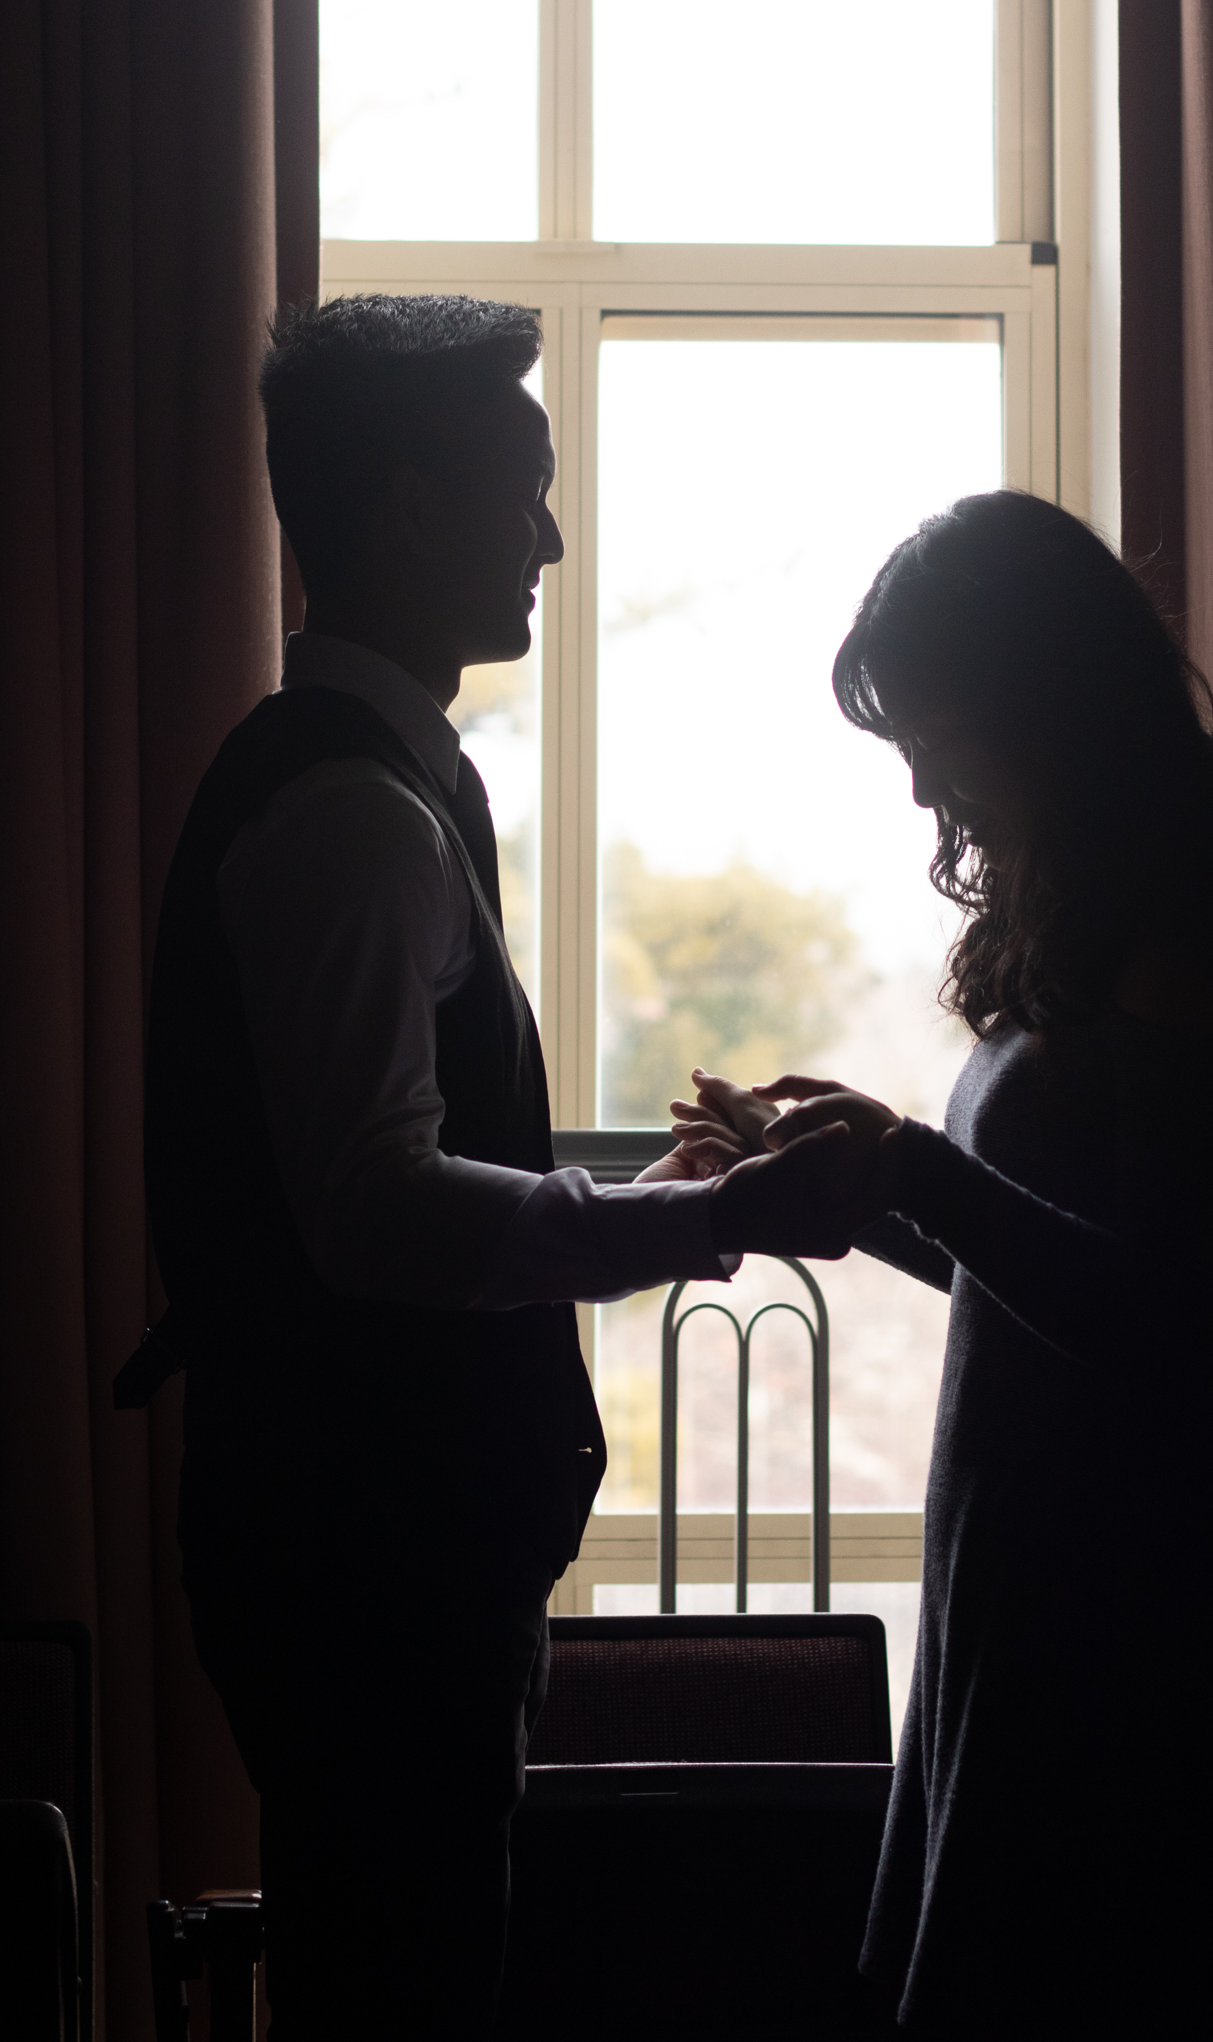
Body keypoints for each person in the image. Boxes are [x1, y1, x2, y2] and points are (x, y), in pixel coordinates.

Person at [141, 292, 817, 2039]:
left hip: (371, 1548)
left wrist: (653, 1213)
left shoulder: (373, 787)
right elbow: (373, 1210)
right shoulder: (351, 817)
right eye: (525, 491)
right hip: (372, 1566)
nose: (553, 541)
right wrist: (704, 1220)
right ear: (409, 505)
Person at [663, 491, 1213, 2039]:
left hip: (1117, 1619)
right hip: (1024, 1590)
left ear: (1036, 698)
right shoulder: (1098, 929)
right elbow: (1036, 1291)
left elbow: (1173, 1337)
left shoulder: (1194, 928)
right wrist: (842, 1184)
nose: (921, 786)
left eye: (932, 736)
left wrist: (916, 1169)